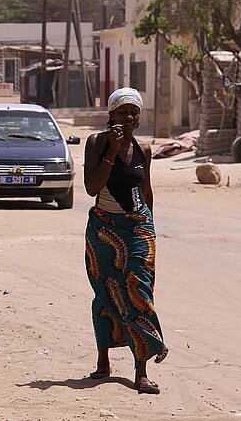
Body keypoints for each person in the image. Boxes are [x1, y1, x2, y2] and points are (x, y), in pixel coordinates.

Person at [83, 87, 168, 395]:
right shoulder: (96, 143)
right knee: (105, 292)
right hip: (104, 229)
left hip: (138, 228)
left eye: (134, 112)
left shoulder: (143, 149)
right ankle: (103, 360)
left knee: (139, 294)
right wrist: (111, 151)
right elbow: (92, 188)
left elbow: (146, 190)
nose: (129, 117)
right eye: (123, 112)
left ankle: (141, 371)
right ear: (111, 115)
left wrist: (151, 227)